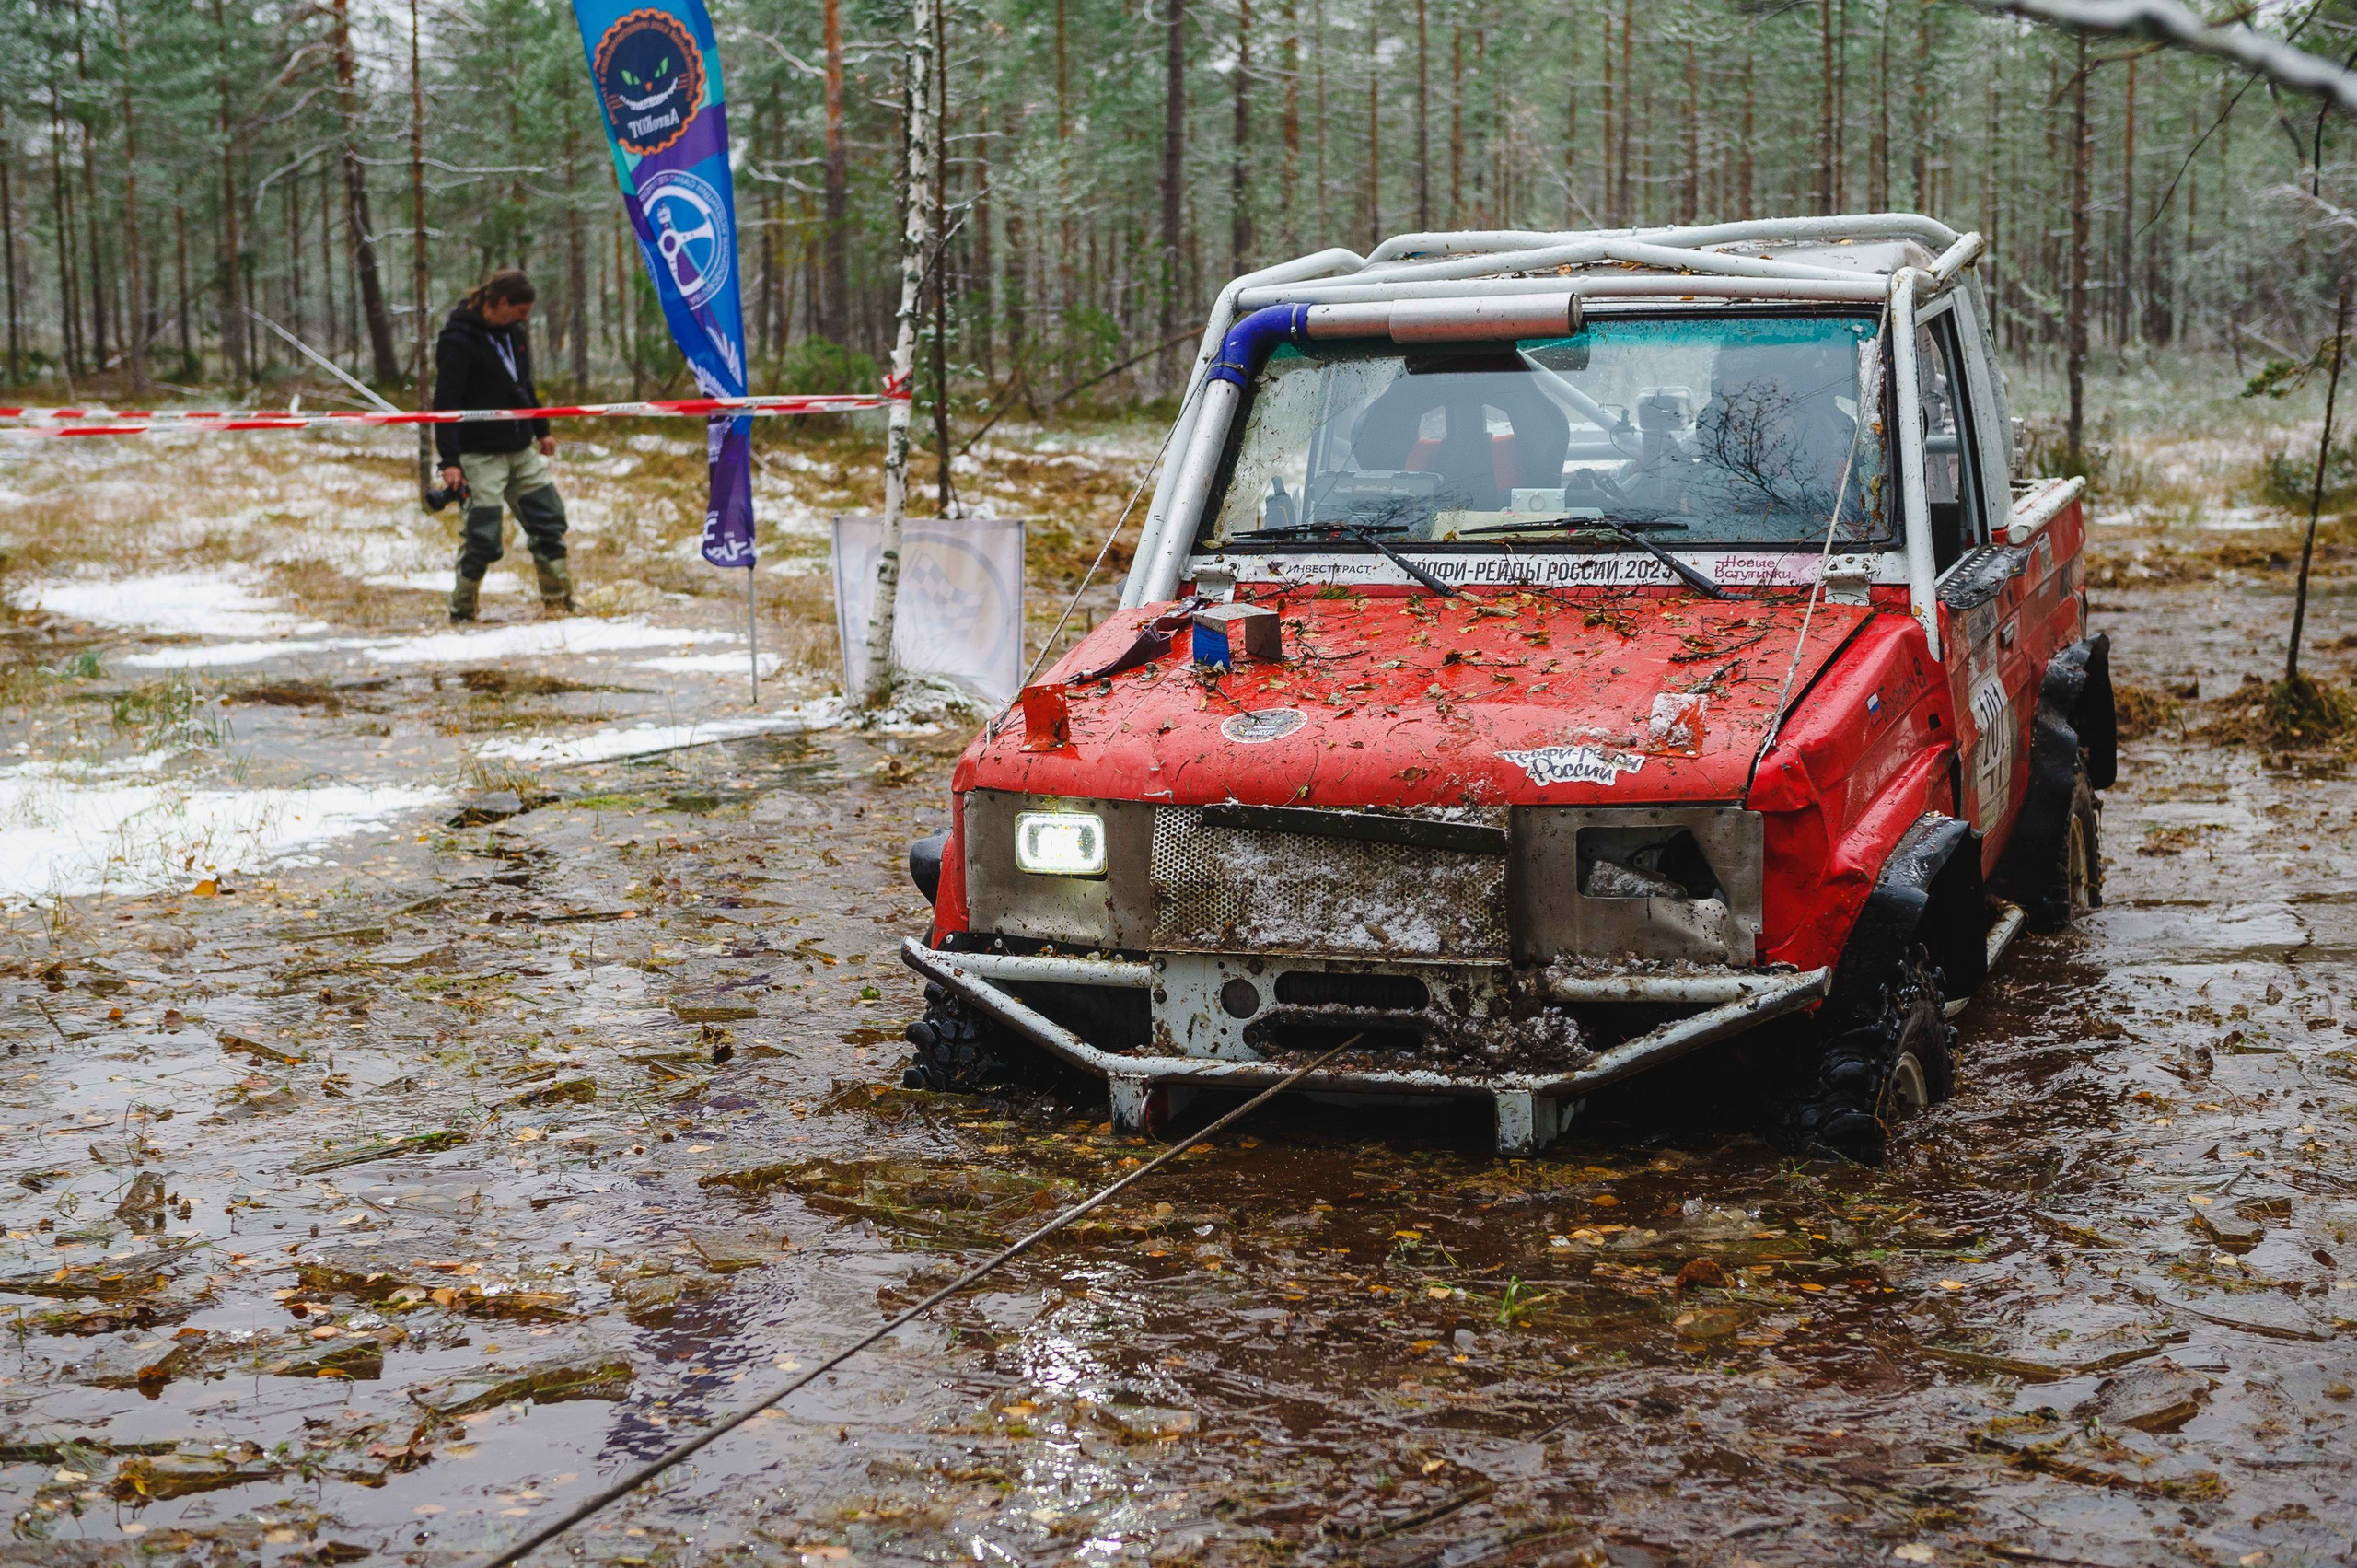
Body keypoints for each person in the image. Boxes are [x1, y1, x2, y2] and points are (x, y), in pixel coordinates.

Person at [434, 269, 574, 621]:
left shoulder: (515, 335)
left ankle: (560, 605)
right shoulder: (457, 340)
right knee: (484, 538)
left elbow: (523, 384)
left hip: (520, 450)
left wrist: (542, 429)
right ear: (500, 303)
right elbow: (445, 401)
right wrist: (450, 460)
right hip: (479, 455)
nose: (525, 318)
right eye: (521, 311)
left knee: (549, 523)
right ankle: (462, 612)